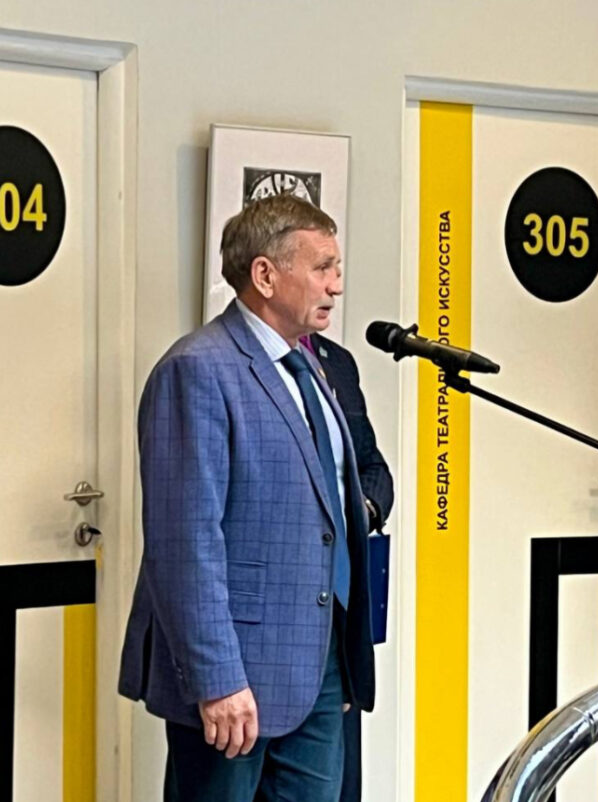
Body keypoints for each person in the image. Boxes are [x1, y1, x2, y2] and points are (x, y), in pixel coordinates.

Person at [118, 194, 376, 802]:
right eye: (322, 267)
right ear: (264, 275)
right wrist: (216, 679)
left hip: (319, 668)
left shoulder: (313, 368)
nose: (336, 285)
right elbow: (184, 542)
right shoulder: (197, 369)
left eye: (337, 268)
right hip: (235, 679)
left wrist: (342, 655)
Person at [300, 331, 393, 802]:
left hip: (340, 617)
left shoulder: (337, 362)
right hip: (274, 624)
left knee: (339, 782)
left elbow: (373, 466)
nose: (334, 294)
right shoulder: (217, 364)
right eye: (322, 291)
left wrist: (363, 512)